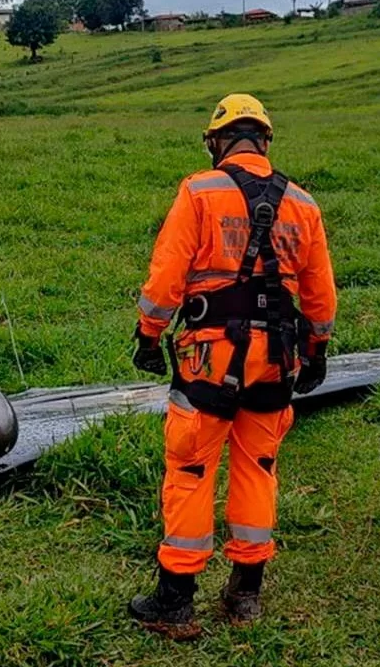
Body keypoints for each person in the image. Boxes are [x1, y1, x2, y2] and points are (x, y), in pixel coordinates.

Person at [129, 93, 337, 637]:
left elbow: (165, 278)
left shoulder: (199, 191)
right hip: (276, 361)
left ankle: (174, 602)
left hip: (209, 358)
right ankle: (245, 595)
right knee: (258, 468)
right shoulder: (304, 204)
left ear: (217, 142)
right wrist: (316, 350)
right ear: (265, 141)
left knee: (192, 469)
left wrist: (149, 336)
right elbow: (319, 293)